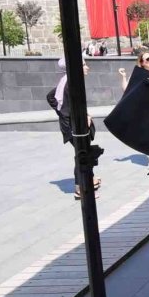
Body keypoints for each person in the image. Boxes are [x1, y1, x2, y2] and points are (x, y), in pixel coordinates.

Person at [49, 57, 101, 200]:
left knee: (83, 153)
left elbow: (52, 97)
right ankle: (80, 188)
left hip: (71, 125)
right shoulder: (70, 84)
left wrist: (63, 112)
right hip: (73, 127)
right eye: (84, 64)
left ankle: (90, 179)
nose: (87, 67)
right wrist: (72, 116)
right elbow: (60, 101)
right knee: (82, 154)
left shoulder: (66, 81)